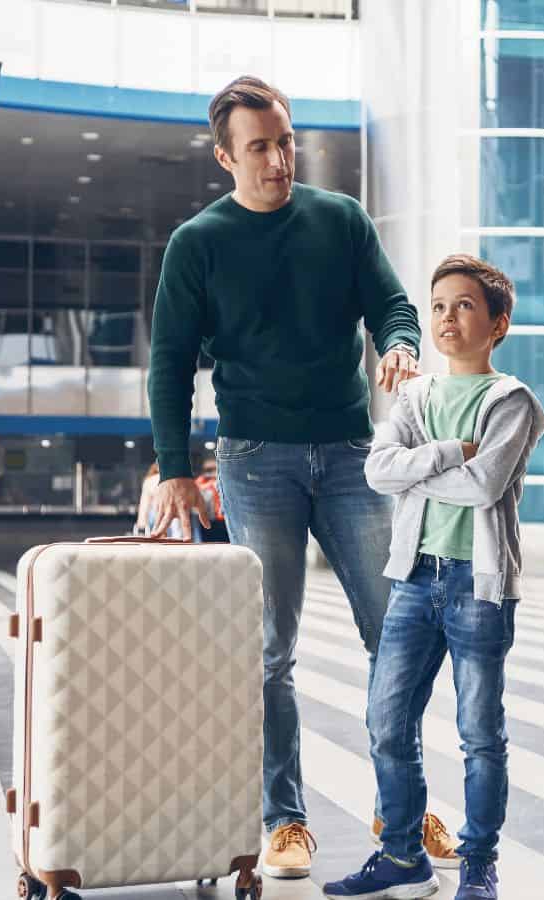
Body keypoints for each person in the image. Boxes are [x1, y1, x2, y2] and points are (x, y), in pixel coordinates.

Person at [147, 75, 450, 880]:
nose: (280, 160)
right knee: (270, 652)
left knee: (397, 635)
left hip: (354, 456)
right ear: (224, 157)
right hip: (255, 461)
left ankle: (405, 811)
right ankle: (285, 820)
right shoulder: (197, 244)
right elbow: (170, 363)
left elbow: (392, 302)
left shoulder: (338, 219)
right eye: (260, 148)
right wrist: (176, 469)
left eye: (286, 142)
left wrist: (398, 346)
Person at [326, 254, 544, 900]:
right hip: (414, 580)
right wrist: (450, 451)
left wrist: (417, 467)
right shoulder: (416, 396)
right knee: (387, 722)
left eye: (466, 306)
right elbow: (377, 470)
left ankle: (479, 864)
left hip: (479, 586)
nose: (448, 319)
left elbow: (483, 488)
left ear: (498, 324)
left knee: (480, 735)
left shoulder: (513, 402)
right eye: (440, 306)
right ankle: (401, 856)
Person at [193, 456, 229, 544]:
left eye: (214, 469)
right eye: (209, 470)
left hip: (225, 519)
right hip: (208, 519)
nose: (212, 472)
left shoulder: (226, 480)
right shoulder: (200, 482)